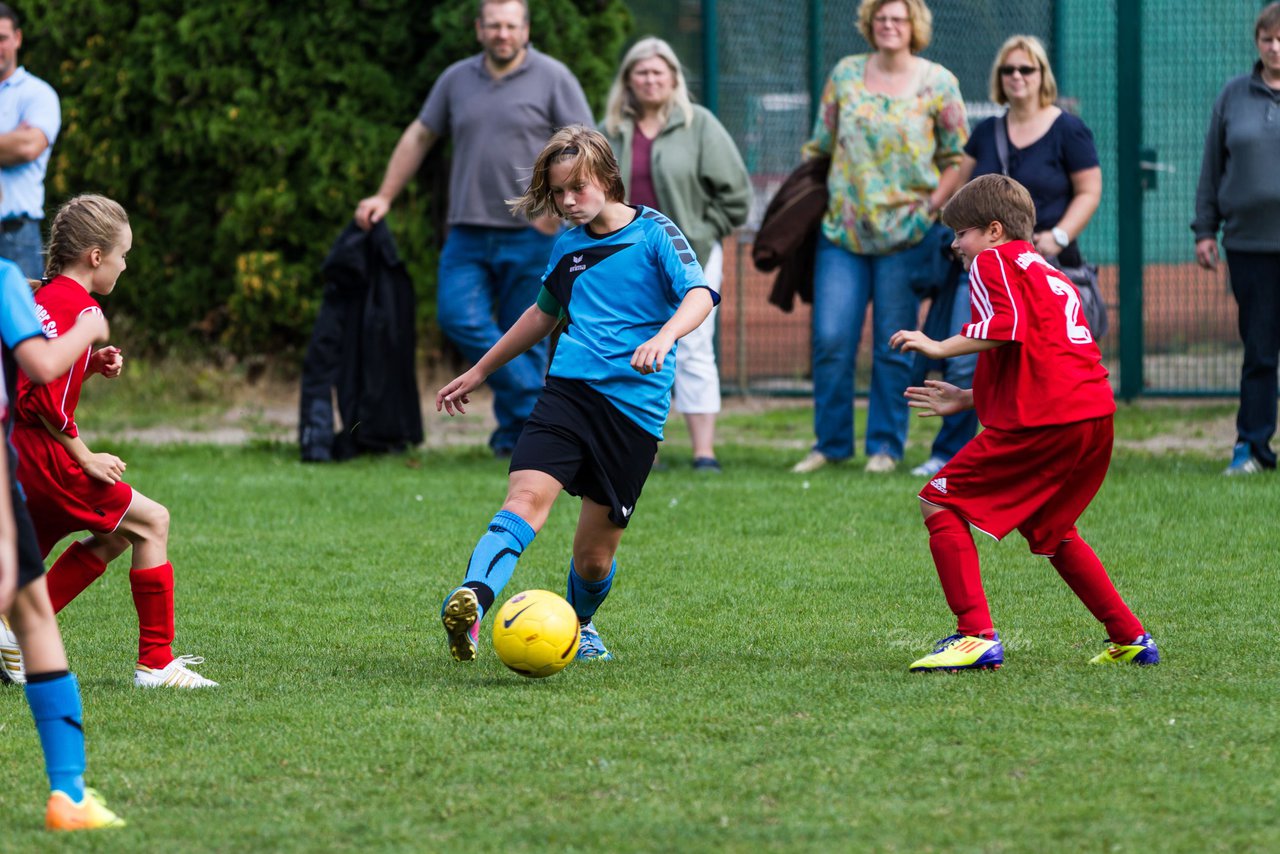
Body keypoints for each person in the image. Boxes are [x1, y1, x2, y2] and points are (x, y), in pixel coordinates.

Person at [435, 126, 715, 663]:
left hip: (633, 415)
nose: (567, 201)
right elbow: (542, 313)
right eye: (558, 191)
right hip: (567, 395)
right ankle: (473, 599)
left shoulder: (655, 232)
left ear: (608, 178)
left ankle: (578, 623)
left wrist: (664, 335)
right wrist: (480, 370)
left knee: (592, 559)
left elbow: (701, 294)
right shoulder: (567, 245)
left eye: (577, 188)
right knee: (522, 502)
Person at [888, 174, 1158, 672]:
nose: (954, 245)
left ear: (993, 230)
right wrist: (969, 398)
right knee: (1053, 529)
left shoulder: (993, 260)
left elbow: (1002, 328)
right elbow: (1038, 353)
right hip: (1093, 415)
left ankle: (974, 636)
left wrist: (938, 345)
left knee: (938, 502)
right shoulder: (1045, 270)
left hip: (1050, 421)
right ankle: (1131, 636)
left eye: (961, 233)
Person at [354, 0, 593, 457]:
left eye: (511, 25)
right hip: (465, 230)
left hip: (531, 232)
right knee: (456, 315)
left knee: (523, 329)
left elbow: (587, 145)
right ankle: (535, 400)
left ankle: (512, 438)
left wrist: (561, 211)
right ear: (479, 30)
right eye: (494, 26)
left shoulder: (553, 77)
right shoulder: (456, 79)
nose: (502, 33)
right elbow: (420, 135)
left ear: (525, 30)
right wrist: (384, 195)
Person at [11, 194, 217, 689]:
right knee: (152, 522)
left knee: (113, 536)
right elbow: (41, 398)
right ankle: (156, 662)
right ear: (96, 256)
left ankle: (15, 631)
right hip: (46, 454)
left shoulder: (45, 297)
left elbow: (38, 363)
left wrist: (90, 360)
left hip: (20, 452)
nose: (125, 267)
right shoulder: (79, 307)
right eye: (123, 256)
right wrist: (86, 456)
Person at [910, 35, 1104, 480]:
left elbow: (1090, 190)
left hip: (1044, 257)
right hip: (984, 258)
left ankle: (1020, 446)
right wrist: (921, 213)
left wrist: (1056, 235)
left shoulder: (1067, 129)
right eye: (1008, 70)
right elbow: (957, 184)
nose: (1016, 77)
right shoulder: (987, 131)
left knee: (1032, 355)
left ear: (1042, 76)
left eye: (1026, 69)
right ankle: (954, 449)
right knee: (971, 352)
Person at [792, 0, 967, 475]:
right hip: (842, 230)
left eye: (899, 18)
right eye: (881, 19)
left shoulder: (938, 82)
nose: (889, 26)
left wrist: (933, 207)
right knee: (830, 339)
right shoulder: (846, 73)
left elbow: (958, 157)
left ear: (915, 26)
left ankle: (885, 448)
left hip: (907, 235)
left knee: (895, 345)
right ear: (870, 25)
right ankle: (829, 444)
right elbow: (819, 145)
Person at [0, 256, 126, 830]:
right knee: (30, 614)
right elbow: (41, 367)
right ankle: (68, 798)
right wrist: (88, 328)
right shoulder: (5, 277)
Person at [601, 37, 751, 473]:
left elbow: (737, 196)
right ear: (628, 80)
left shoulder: (699, 124)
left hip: (691, 253)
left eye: (658, 73)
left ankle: (704, 452)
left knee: (693, 345)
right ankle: (641, 447)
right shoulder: (610, 129)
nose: (650, 80)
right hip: (623, 255)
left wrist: (702, 231)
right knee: (627, 342)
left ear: (673, 79)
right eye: (641, 73)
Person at [1193, 2, 1280, 476]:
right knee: (1260, 351)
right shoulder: (1233, 96)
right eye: (1268, 39)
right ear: (1257, 43)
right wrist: (1205, 230)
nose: (1275, 47)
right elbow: (1212, 167)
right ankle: (1253, 448)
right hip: (1249, 246)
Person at [0, 3, 60, 279]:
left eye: (1, 38)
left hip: (16, 237)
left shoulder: (38, 94)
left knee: (21, 322)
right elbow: (17, 144)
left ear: (18, 38)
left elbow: (28, 147)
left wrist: (19, 143)